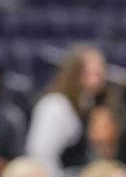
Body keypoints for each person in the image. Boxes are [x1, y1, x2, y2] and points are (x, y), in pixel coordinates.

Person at [26, 44, 113, 176]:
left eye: (102, 68)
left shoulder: (89, 105)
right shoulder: (55, 106)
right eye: (96, 70)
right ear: (77, 72)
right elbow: (40, 156)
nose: (102, 74)